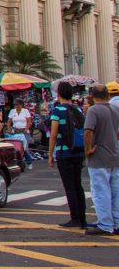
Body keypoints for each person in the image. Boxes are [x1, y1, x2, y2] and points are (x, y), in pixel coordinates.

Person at [48, 81, 87, 229]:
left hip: (64, 152)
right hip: (78, 151)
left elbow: (53, 134)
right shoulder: (78, 110)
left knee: (69, 186)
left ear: (58, 94)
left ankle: (75, 218)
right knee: (78, 185)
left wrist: (50, 154)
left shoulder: (57, 111)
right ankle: (82, 218)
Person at [84, 84, 119, 236]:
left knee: (100, 191)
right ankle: (116, 222)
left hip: (99, 156)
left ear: (92, 96)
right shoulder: (115, 109)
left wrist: (87, 149)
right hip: (114, 154)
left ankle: (105, 223)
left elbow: (88, 131)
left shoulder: (94, 110)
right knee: (115, 191)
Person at [7, 98, 35, 169]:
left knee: (24, 147)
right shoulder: (12, 111)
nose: (16, 106)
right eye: (15, 105)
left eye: (18, 105)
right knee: (16, 148)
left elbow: (29, 121)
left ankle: (29, 162)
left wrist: (26, 128)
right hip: (15, 131)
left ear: (21, 105)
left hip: (24, 131)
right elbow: (9, 121)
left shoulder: (25, 111)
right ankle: (17, 162)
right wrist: (9, 129)